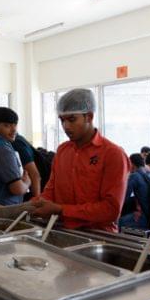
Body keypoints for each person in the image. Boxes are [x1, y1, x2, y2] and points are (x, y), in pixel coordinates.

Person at [31, 89, 129, 232]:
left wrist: (61, 210)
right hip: (62, 230)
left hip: (100, 237)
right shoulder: (63, 151)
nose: (66, 126)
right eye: (62, 120)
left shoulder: (112, 154)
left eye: (72, 119)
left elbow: (111, 210)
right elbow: (49, 194)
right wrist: (7, 211)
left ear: (89, 117)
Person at [119, 153, 150, 229]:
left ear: (131, 164)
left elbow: (123, 197)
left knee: (118, 222)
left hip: (143, 217)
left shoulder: (135, 176)